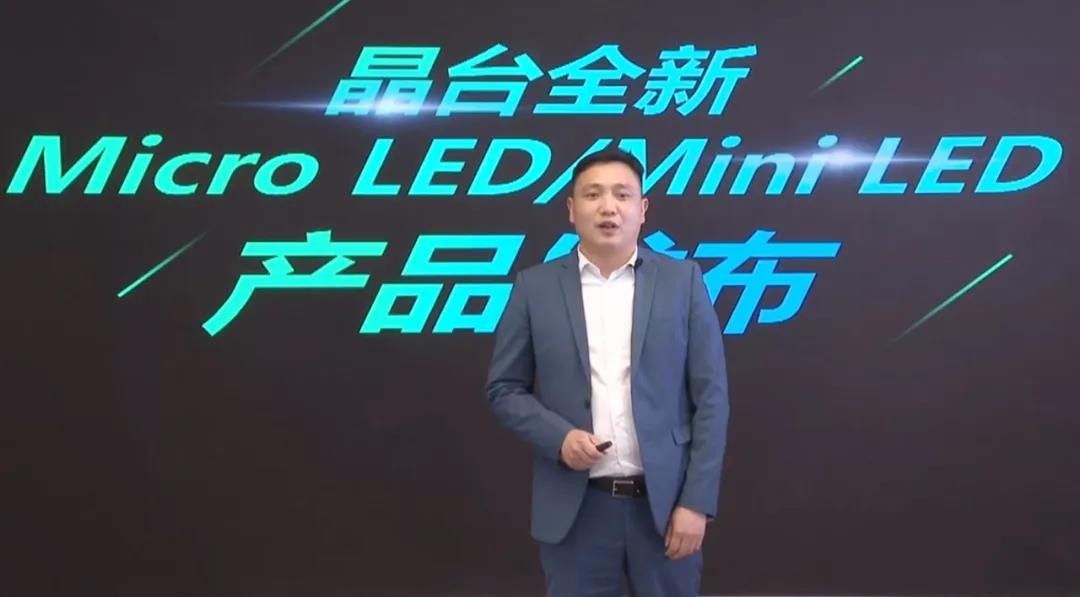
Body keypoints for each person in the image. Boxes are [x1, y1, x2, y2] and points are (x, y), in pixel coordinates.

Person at [485, 148, 730, 596]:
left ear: (643, 208)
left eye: (622, 194)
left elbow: (711, 398)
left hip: (664, 508)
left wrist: (696, 503)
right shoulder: (534, 287)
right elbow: (504, 388)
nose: (608, 207)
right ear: (571, 208)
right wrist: (558, 437)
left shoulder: (683, 282)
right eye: (593, 194)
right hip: (577, 511)